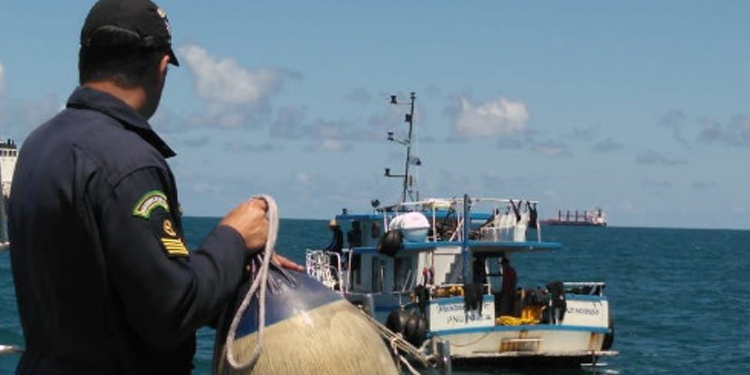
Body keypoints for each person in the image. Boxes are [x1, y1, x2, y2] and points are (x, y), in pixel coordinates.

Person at [8, 1, 300, 374]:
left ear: (85, 59)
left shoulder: (39, 145)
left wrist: (231, 267)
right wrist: (234, 238)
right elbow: (171, 312)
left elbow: (111, 280)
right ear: (162, 66)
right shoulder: (130, 162)